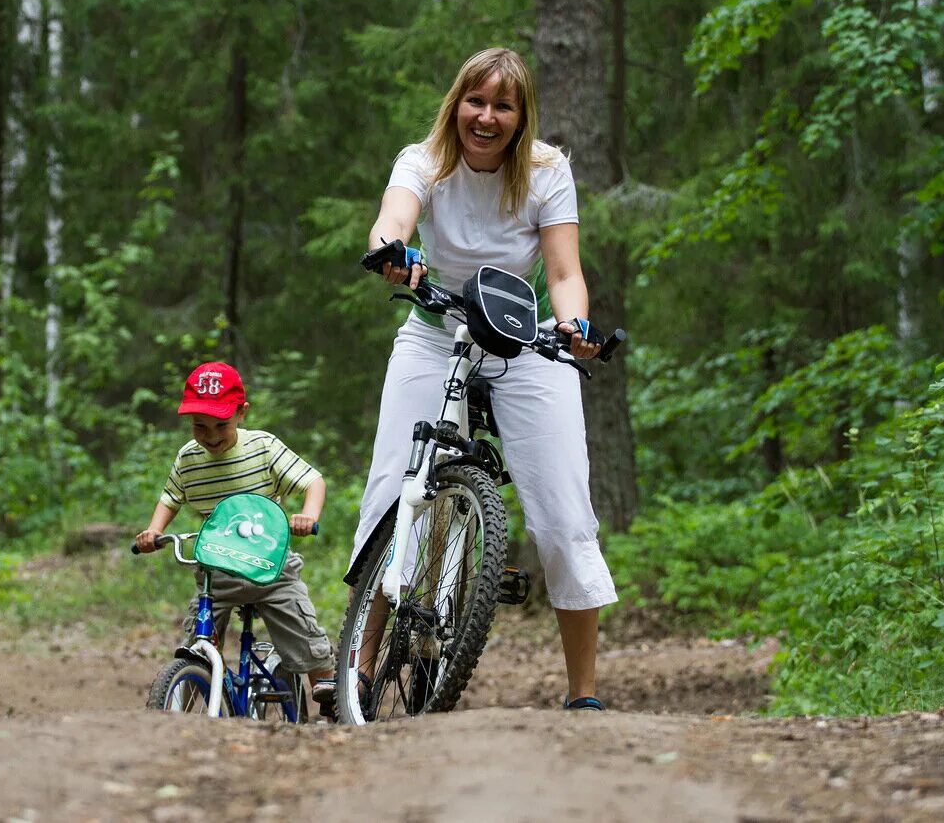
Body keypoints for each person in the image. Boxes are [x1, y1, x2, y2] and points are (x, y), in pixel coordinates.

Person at [352, 47, 617, 711]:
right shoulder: (424, 161)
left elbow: (563, 273)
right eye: (477, 101)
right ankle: (356, 666)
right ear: (457, 104)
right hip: (435, 328)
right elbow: (394, 217)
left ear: (522, 117)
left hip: (524, 340)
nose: (487, 117)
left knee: (562, 511)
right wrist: (394, 254)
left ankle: (583, 692)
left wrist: (575, 325)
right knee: (393, 487)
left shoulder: (548, 173)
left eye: (503, 105)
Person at [136, 361, 337, 712]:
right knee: (197, 638)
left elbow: (312, 481)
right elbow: (170, 498)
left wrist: (308, 515)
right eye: (200, 426)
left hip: (271, 569)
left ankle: (330, 691)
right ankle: (178, 702)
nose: (211, 436)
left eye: (221, 425)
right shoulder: (189, 459)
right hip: (218, 571)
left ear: (242, 413)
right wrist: (155, 530)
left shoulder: (262, 447)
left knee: (302, 633)